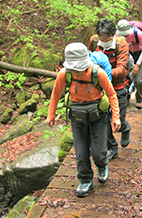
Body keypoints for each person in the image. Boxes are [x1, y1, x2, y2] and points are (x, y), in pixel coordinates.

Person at [46, 42, 121, 198]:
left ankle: (101, 166)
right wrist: (51, 114)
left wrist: (116, 117)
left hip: (98, 116)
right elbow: (55, 94)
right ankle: (85, 179)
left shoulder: (97, 73)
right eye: (73, 69)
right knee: (80, 151)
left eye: (78, 68)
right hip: (78, 116)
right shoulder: (64, 74)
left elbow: (112, 94)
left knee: (99, 152)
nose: (76, 72)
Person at [88, 19, 131, 162]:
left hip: (118, 86)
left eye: (107, 38)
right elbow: (89, 57)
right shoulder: (94, 41)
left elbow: (123, 68)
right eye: (101, 38)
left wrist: (105, 73)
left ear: (113, 35)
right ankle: (112, 147)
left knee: (119, 119)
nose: (104, 41)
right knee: (104, 120)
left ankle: (126, 128)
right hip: (99, 87)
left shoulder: (121, 44)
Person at [116, 19, 142, 109]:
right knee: (125, 77)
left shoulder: (138, 34)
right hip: (126, 55)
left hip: (139, 54)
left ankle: (139, 98)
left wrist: (137, 65)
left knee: (139, 80)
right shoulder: (117, 35)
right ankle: (126, 98)